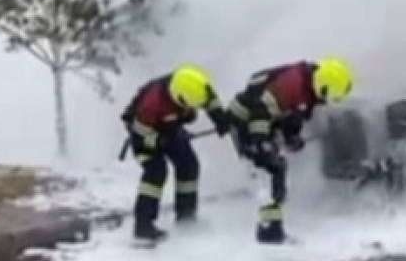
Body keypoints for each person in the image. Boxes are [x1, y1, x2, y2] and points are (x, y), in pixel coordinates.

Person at [227, 58, 354, 244]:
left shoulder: (309, 89)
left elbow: (291, 115)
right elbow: (260, 110)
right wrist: (260, 142)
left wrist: (290, 138)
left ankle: (273, 224)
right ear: (323, 85)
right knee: (267, 170)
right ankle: (269, 232)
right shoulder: (291, 85)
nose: (327, 102)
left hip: (264, 121)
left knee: (277, 167)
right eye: (330, 96)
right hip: (245, 121)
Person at [121, 66, 231, 245]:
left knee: (189, 164)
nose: (191, 110)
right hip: (143, 134)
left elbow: (210, 100)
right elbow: (141, 136)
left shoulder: (193, 85)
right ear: (178, 99)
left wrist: (221, 119)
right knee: (156, 172)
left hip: (169, 128)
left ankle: (186, 217)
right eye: (188, 107)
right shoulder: (152, 105)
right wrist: (161, 142)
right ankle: (143, 226)